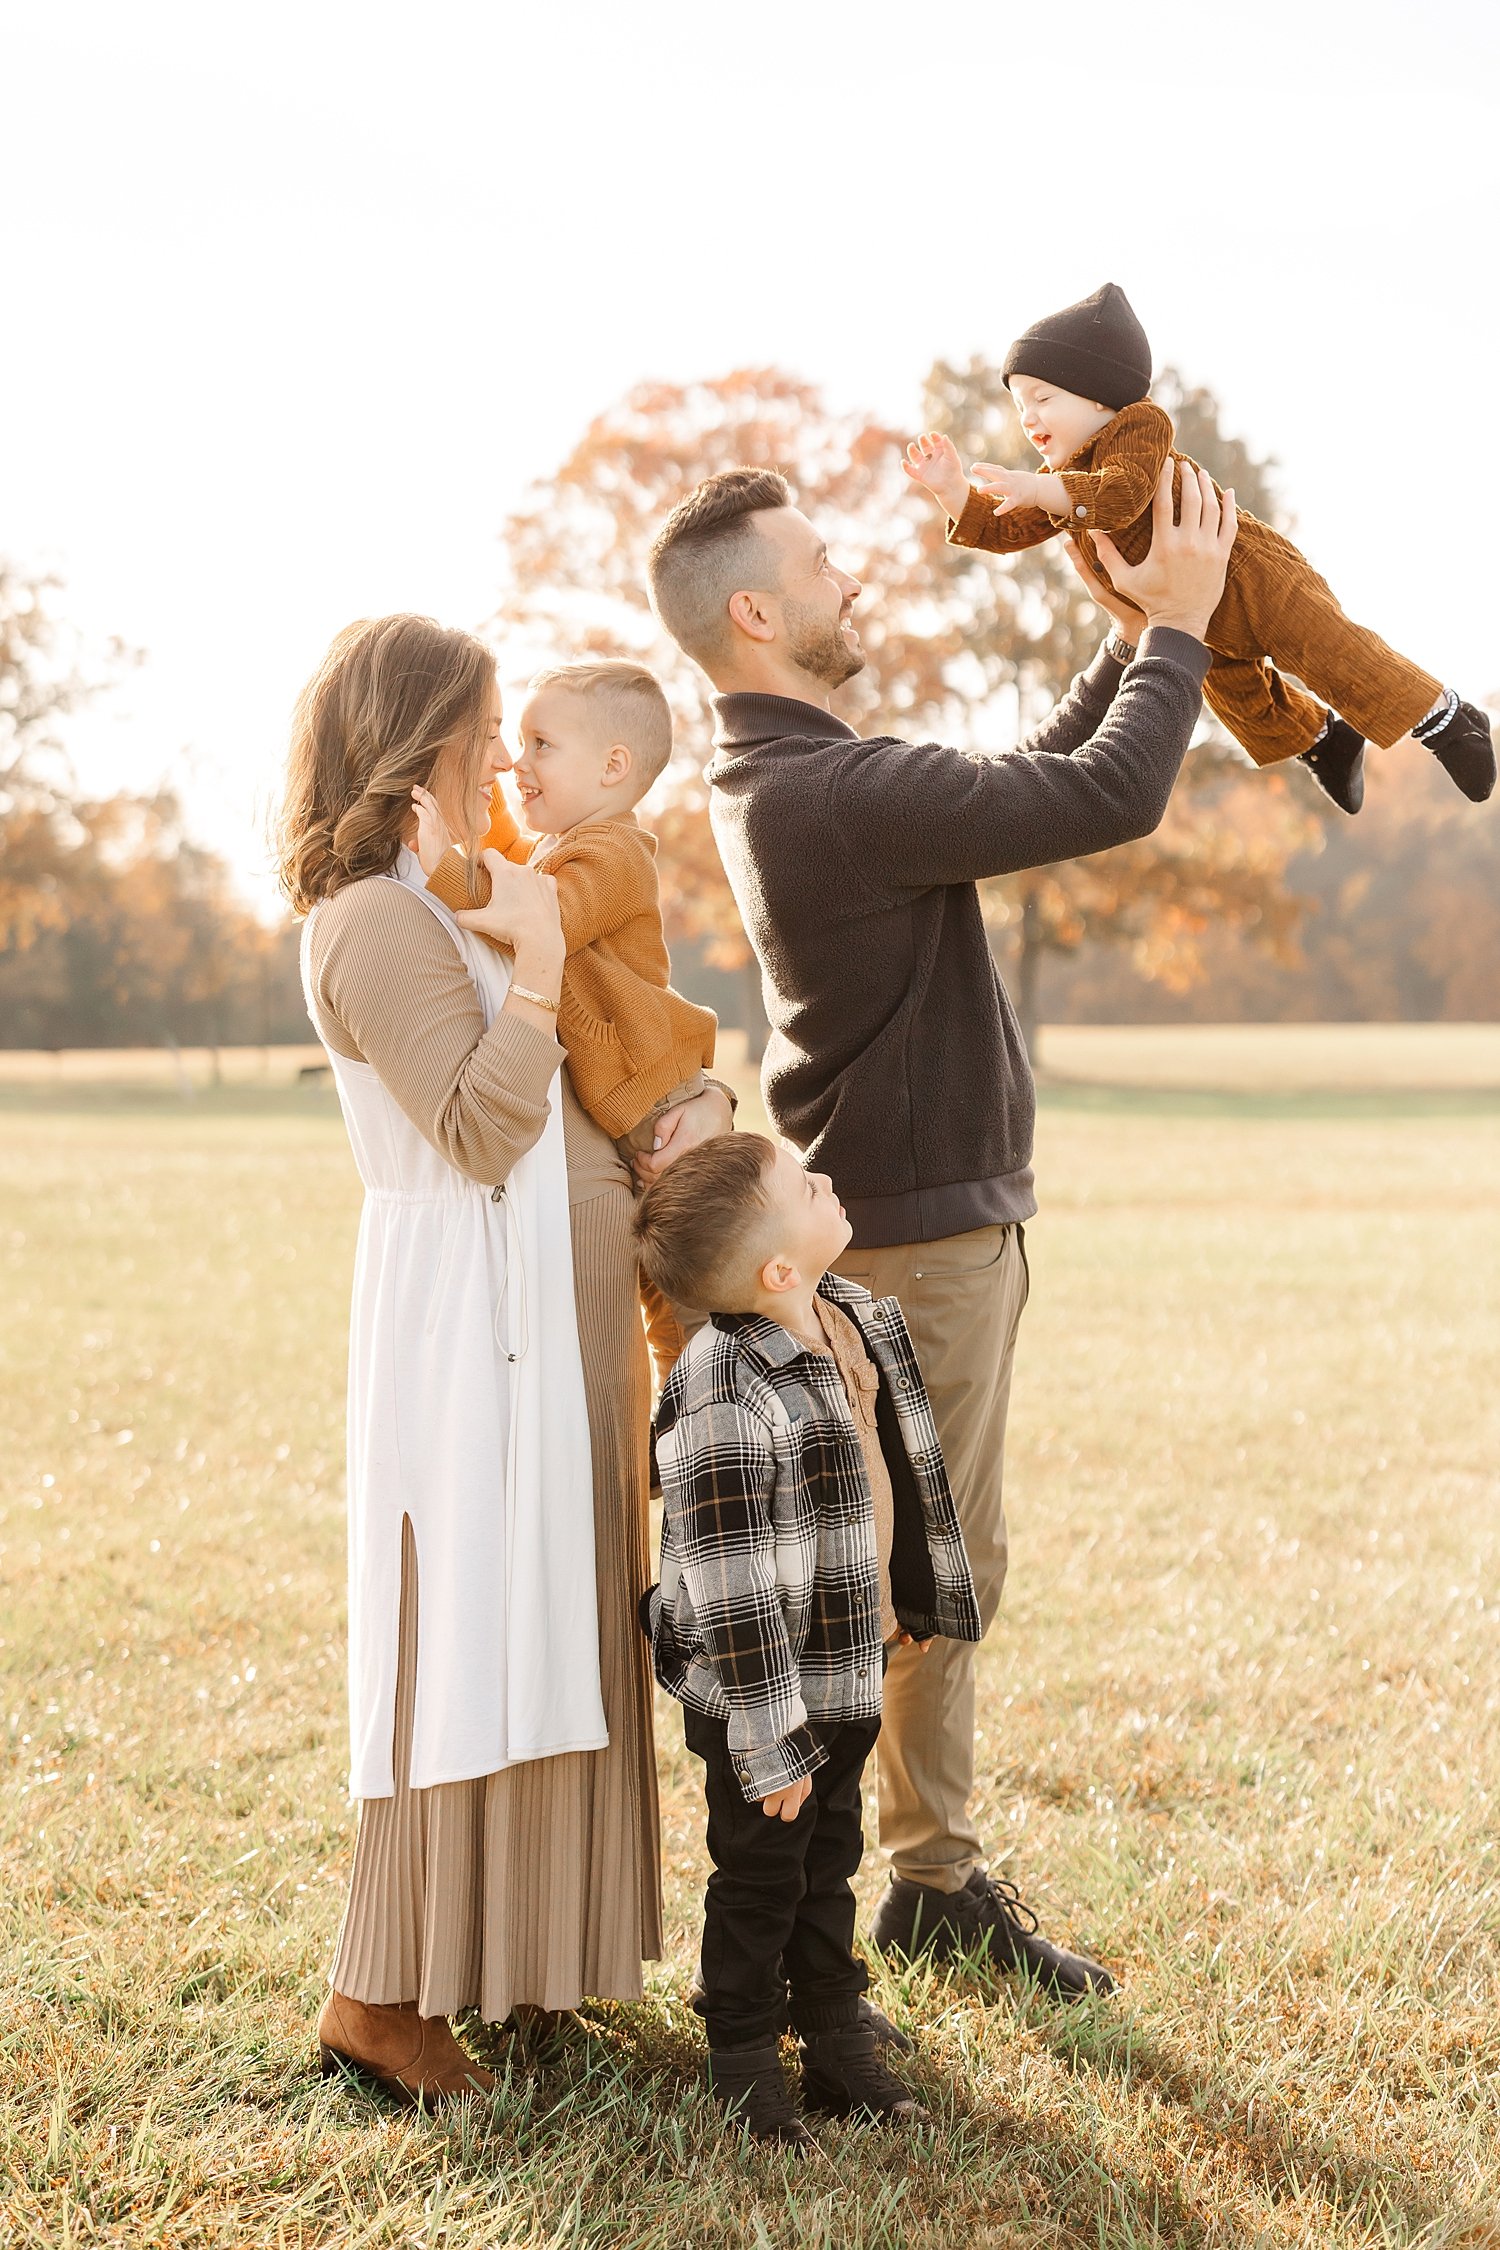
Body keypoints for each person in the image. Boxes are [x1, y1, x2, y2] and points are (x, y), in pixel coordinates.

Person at [646, 456, 1235, 2001]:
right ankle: (925, 1883)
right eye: (828, 561)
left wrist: (1129, 632)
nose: (860, 577)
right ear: (760, 611)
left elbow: (1031, 771)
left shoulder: (807, 777)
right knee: (930, 1578)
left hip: (913, 1229)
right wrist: (1180, 631)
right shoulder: (831, 790)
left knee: (928, 1567)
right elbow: (1107, 790)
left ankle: (919, 1873)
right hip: (913, 1247)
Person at [278, 614, 733, 2105]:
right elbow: (479, 1125)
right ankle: (379, 1998)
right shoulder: (368, 919)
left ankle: (528, 1956)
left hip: (548, 1317)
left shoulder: (442, 896)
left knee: (553, 1619)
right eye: (481, 729)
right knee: (459, 1636)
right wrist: (536, 968)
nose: (497, 755)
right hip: (466, 1330)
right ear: (416, 743)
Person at [636, 1133, 982, 2146]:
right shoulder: (721, 1388)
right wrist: (771, 1739)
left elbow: (897, 1478)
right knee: (760, 1875)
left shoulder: (854, 1321)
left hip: (844, 1660)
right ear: (776, 1268)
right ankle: (741, 2061)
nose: (829, 1179)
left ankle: (833, 2037)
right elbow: (731, 1586)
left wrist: (900, 1601)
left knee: (829, 1856)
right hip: (762, 1695)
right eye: (806, 1183)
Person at [904, 281, 1496, 816]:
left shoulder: (1138, 429)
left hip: (1247, 573)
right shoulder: (1063, 477)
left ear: (1100, 396)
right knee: (1242, 700)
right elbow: (1010, 528)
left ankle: (1445, 721)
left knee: (1331, 653)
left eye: (1041, 398)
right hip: (1190, 605)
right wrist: (955, 492)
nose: (1028, 418)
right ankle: (1327, 742)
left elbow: (1123, 496)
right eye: (1019, 407)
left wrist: (1041, 486)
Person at [414, 657, 718, 1378]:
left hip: (655, 1099)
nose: (518, 763)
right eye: (515, 745)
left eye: (541, 745)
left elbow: (541, 917)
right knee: (658, 1284)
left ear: (614, 766)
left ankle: (703, 1405)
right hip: (631, 1101)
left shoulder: (612, 854)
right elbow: (520, 863)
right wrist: (477, 816)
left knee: (687, 1283)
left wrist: (442, 865)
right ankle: (680, 1419)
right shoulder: (570, 847)